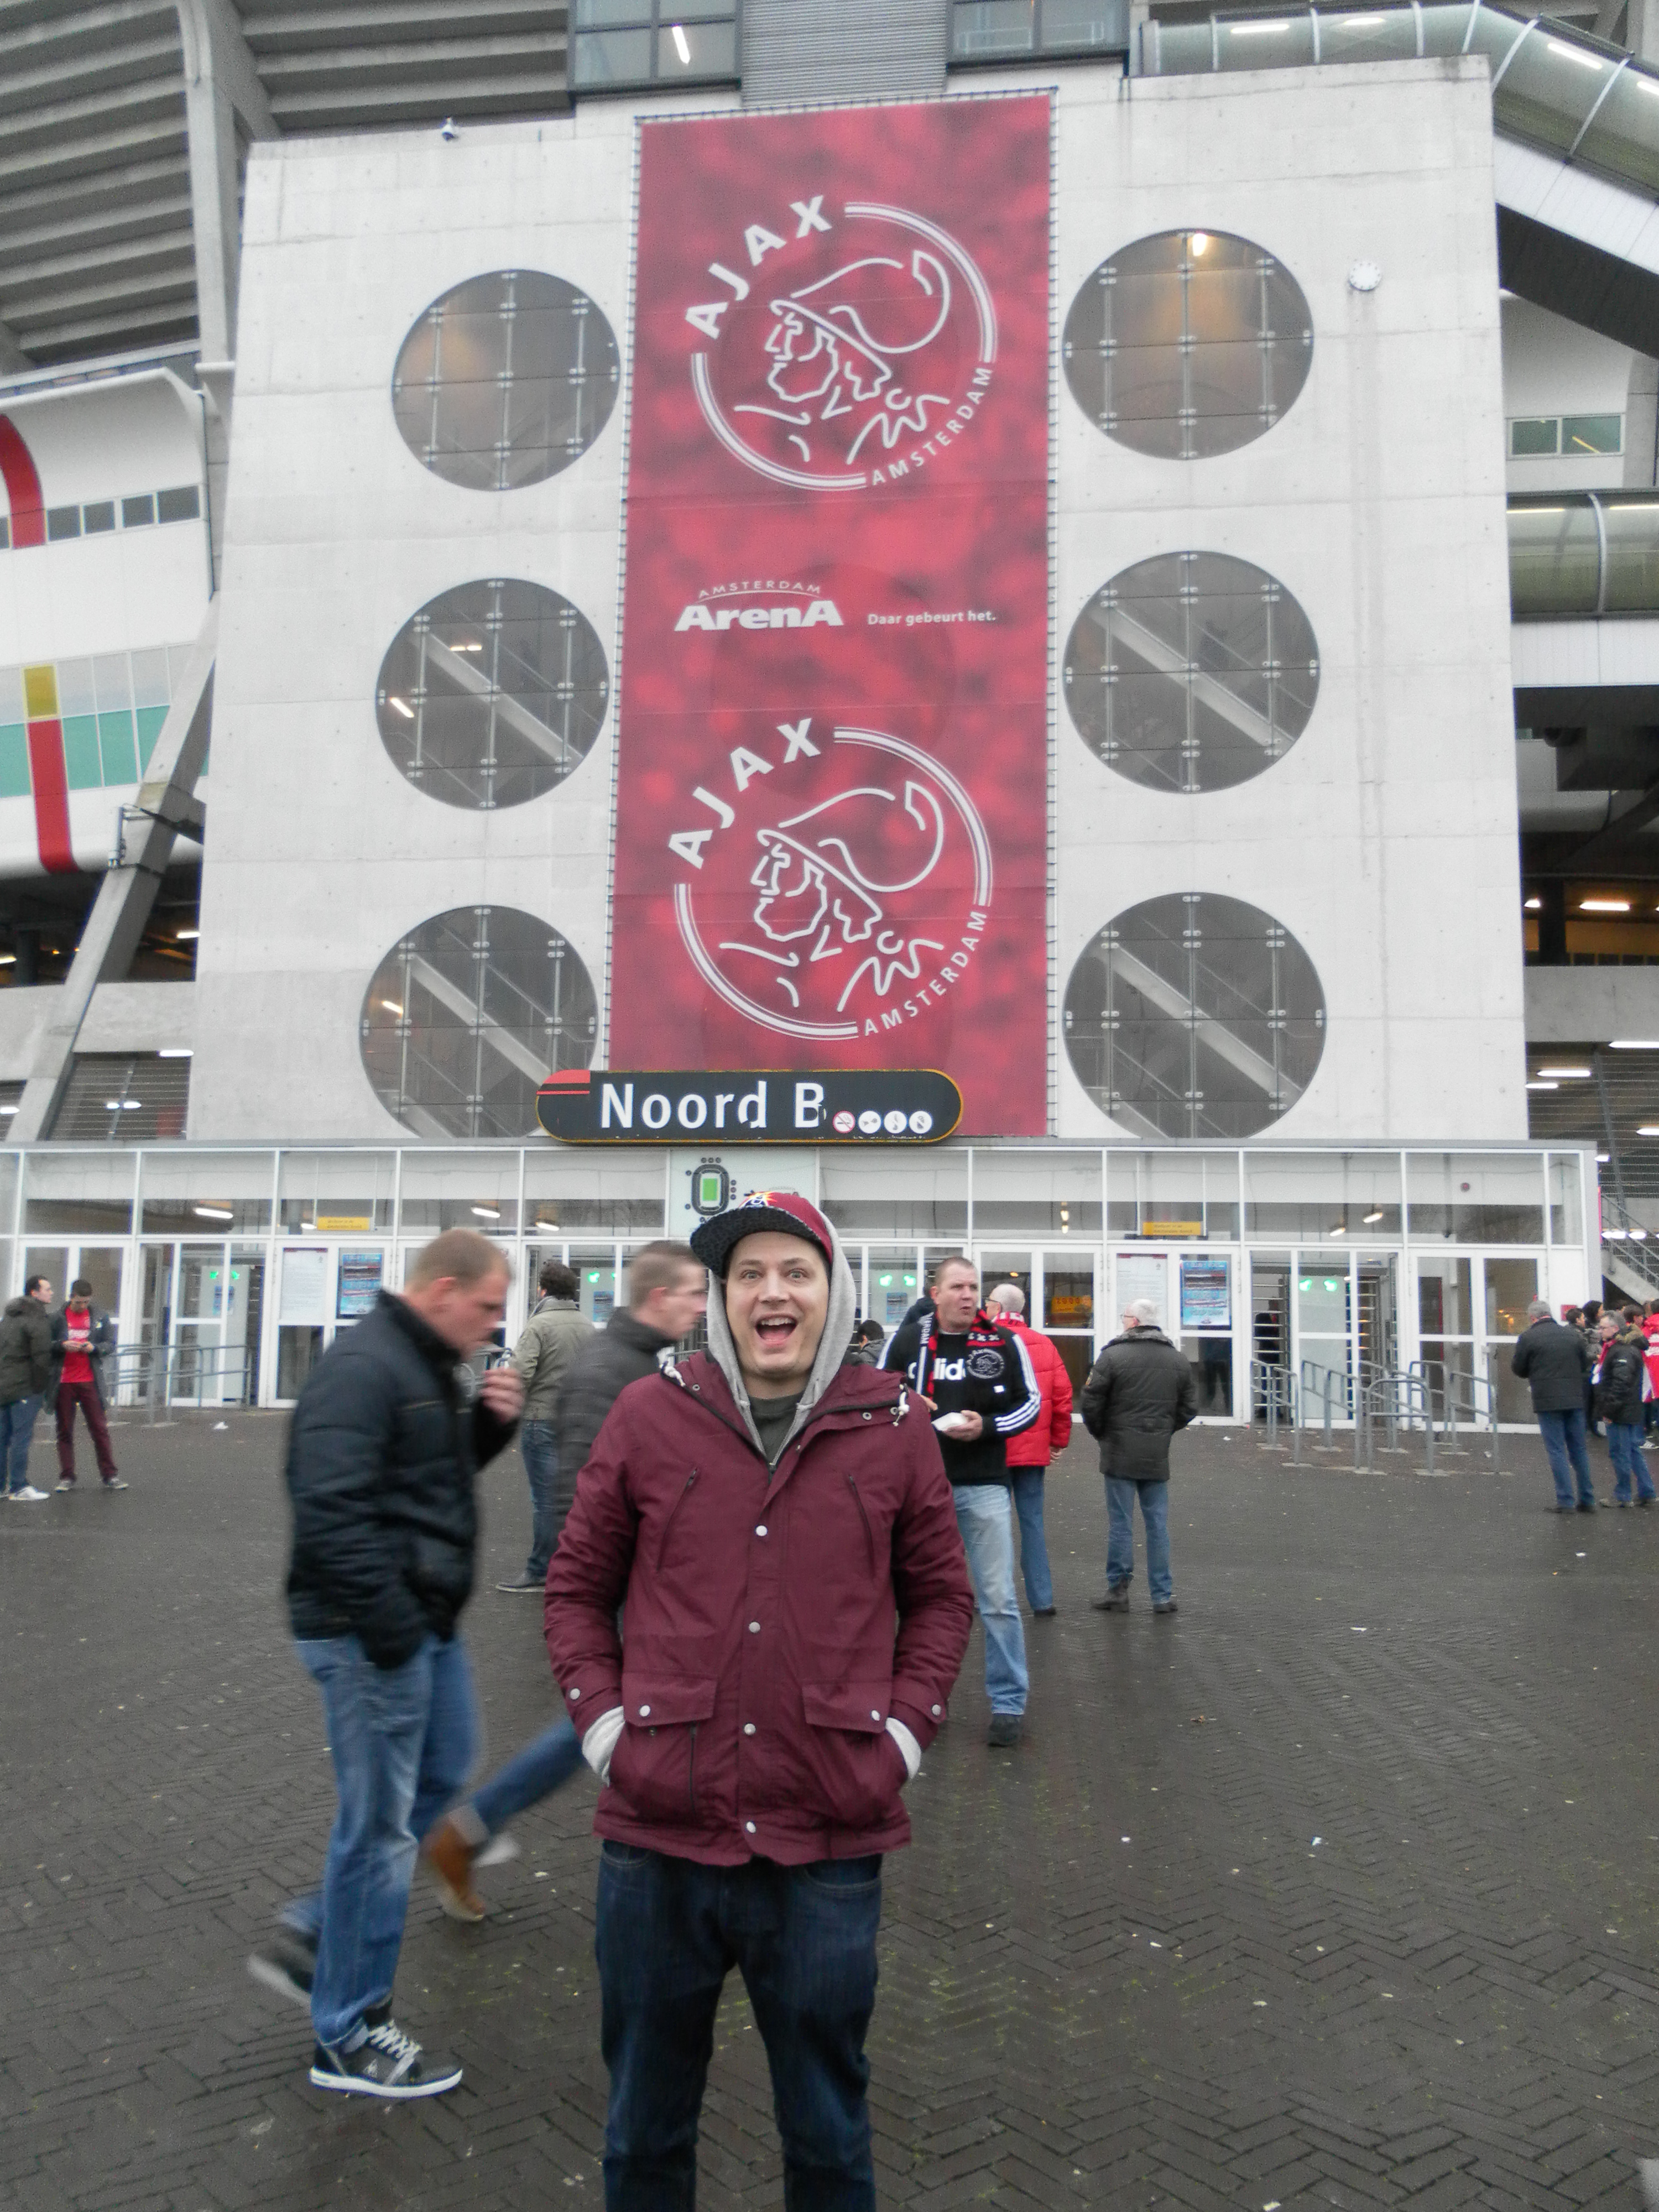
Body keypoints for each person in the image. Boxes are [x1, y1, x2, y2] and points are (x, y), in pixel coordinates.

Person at [546, 1190, 973, 2212]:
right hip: (658, 1840)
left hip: (826, 1838)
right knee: (644, 2132)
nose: (771, 1292)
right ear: (720, 1298)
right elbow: (575, 1589)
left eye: (794, 1271)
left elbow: (942, 1598)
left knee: (828, 2137)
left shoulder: (895, 1427)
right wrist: (606, 1732)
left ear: (835, 1292)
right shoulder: (650, 1414)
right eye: (747, 1275)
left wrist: (902, 1742)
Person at [247, 1229, 525, 2099]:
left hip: (416, 1625)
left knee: (445, 1769)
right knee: (378, 1831)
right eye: (486, 1307)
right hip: (373, 1634)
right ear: (442, 1291)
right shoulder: (364, 1369)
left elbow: (426, 1480)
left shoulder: (423, 1365)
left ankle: (321, 1930)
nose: (494, 1326)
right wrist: (395, 1629)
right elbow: (330, 1511)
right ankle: (348, 2031)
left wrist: (488, 1428)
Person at [418, 1240, 706, 1920]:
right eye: (695, 1292)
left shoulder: (635, 1362)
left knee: (619, 1714)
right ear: (660, 1297)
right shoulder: (619, 1371)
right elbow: (588, 1488)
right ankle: (473, 1830)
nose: (702, 1306)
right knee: (613, 1714)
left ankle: (475, 1830)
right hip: (624, 1581)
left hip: (634, 1576)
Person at [883, 1255, 1041, 1746]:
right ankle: (923, 1696)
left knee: (998, 1598)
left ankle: (1008, 1702)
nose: (968, 1295)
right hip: (920, 1489)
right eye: (958, 1287)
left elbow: (1031, 1404)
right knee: (920, 1598)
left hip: (985, 1484)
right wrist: (908, 1404)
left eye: (974, 1287)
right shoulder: (909, 1340)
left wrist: (987, 1426)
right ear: (936, 1294)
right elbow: (877, 1395)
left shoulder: (1005, 1341)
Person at [1081, 1298, 1197, 1615]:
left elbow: (1090, 1401)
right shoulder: (1177, 1360)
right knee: (1157, 1524)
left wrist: (1102, 1432)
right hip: (1156, 1453)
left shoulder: (1112, 1356)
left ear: (1133, 1322)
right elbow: (1189, 1407)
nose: (1123, 1321)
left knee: (1121, 1523)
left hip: (1119, 1451)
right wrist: (1164, 1430)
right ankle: (1162, 1595)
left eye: (1125, 1317)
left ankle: (1118, 1590)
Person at [494, 1259, 594, 1595]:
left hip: (542, 1419)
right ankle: (574, 1566)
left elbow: (520, 1373)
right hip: (577, 1423)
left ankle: (540, 1569)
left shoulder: (539, 1325)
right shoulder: (587, 1326)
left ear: (543, 1290)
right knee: (571, 1497)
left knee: (545, 1501)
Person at [984, 1281, 1073, 1618]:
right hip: (1033, 1452)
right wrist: (1056, 1441)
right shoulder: (1044, 1344)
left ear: (997, 1307)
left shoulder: (984, 1342)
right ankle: (1042, 1599)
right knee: (1032, 1523)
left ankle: (994, 1597)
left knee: (992, 1526)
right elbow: (1063, 1397)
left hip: (992, 1449)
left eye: (988, 1302)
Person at [1511, 1297, 1596, 1512]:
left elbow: (1519, 1369)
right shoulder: (1572, 1335)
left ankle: (1566, 1501)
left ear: (1533, 1318)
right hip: (1575, 1399)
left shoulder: (1528, 1337)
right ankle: (1587, 1499)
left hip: (1547, 1401)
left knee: (1557, 1450)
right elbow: (1584, 1362)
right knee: (1579, 1449)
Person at [51, 1278, 122, 1491]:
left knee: (100, 1428)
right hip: (64, 1381)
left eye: (86, 1302)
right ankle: (67, 1476)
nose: (83, 1306)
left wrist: (95, 1348)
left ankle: (110, 1475)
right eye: (79, 1302)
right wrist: (62, 1345)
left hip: (90, 1381)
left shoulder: (99, 1316)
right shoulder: (57, 1317)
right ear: (71, 1297)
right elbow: (46, 1345)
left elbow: (111, 1344)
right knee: (64, 1430)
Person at [0, 1275, 55, 1502]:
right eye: (47, 1289)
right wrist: (40, 1388)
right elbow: (41, 1356)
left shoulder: (8, 1318)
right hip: (24, 1388)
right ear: (34, 1292)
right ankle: (19, 1486)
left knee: (2, 1438)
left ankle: (2, 1487)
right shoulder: (36, 1318)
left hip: (4, 1386)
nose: (51, 1293)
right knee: (21, 1438)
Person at [1594, 1310, 1655, 1506]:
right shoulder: (1625, 1348)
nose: (1600, 1331)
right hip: (1628, 1408)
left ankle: (1623, 1495)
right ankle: (1646, 1491)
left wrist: (1609, 1411)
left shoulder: (1622, 1350)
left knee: (1620, 1452)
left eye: (1603, 1328)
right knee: (1632, 1450)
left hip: (1621, 1410)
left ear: (1615, 1328)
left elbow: (1620, 1383)